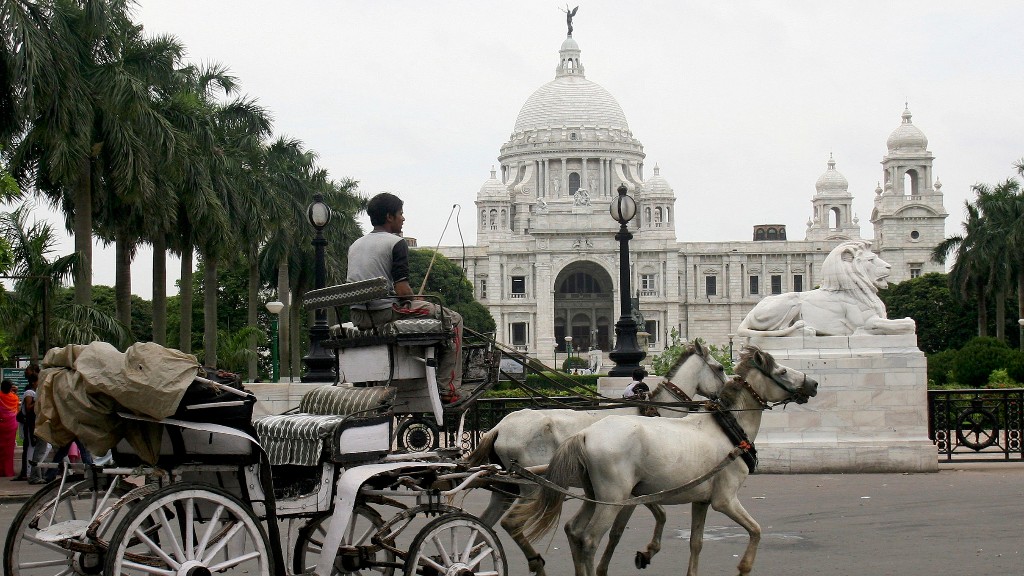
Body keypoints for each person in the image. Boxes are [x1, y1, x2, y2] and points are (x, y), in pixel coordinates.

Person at [347, 192, 464, 401]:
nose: (404, 218)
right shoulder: (395, 242)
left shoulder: (355, 244)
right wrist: (415, 299)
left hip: (359, 315)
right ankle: (448, 389)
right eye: (401, 214)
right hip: (383, 312)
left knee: (424, 309)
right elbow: (402, 291)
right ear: (389, 217)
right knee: (453, 320)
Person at [13, 364, 38, 481]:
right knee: (30, 447)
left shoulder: (32, 391)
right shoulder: (30, 392)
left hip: (33, 423)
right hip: (30, 424)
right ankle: (28, 472)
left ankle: (28, 471)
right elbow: (28, 408)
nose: (25, 371)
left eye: (27, 370)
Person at [0, 379, 20, 477]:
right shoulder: (15, 398)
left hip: (1, 425)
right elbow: (17, 410)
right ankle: (8, 471)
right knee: (9, 450)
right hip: (12, 425)